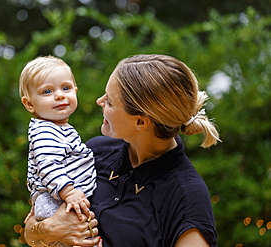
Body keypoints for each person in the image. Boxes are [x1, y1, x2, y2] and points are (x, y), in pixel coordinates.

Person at [24, 54, 221, 247]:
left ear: (140, 121)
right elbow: (30, 231)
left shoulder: (187, 198)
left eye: (109, 101)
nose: (99, 101)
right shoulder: (96, 151)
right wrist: (47, 231)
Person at [19, 55, 97, 247]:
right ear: (29, 104)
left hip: (61, 199)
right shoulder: (44, 131)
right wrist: (69, 192)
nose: (60, 95)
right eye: (47, 91)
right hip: (56, 202)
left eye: (66, 88)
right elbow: (48, 166)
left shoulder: (58, 128)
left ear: (75, 91)